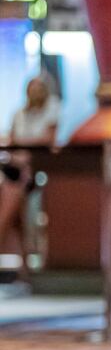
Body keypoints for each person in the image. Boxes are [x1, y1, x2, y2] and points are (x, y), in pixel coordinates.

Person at [0, 77, 59, 280]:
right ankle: (24, 270)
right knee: (16, 219)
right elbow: (12, 141)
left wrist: (24, 148)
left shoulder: (52, 108)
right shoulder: (20, 114)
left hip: (38, 172)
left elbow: (48, 140)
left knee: (16, 216)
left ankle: (29, 269)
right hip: (15, 170)